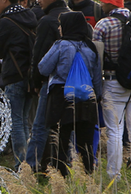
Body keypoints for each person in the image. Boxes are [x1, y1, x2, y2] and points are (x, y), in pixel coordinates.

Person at [38, 12, 103, 176]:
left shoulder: (61, 45)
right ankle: (87, 176)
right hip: (86, 97)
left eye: (61, 24)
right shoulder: (90, 47)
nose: (59, 28)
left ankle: (59, 176)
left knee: (60, 139)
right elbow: (96, 78)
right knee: (85, 142)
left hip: (61, 97)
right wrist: (97, 97)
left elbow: (43, 68)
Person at [93, 0, 131, 177]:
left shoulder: (103, 25)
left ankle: (113, 177)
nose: (100, 4)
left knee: (115, 130)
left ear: (109, 2)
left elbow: (96, 59)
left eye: (102, 0)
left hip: (113, 82)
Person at [0, 0, 38, 167]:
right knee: (25, 120)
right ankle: (28, 164)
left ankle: (21, 164)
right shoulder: (29, 15)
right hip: (29, 76)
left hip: (14, 75)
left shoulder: (6, 21)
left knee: (16, 122)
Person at [25, 0, 70, 171]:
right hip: (71, 82)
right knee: (64, 128)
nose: (38, 0)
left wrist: (35, 81)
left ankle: (30, 167)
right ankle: (63, 166)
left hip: (49, 81)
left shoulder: (47, 20)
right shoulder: (72, 16)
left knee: (39, 127)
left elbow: (39, 54)